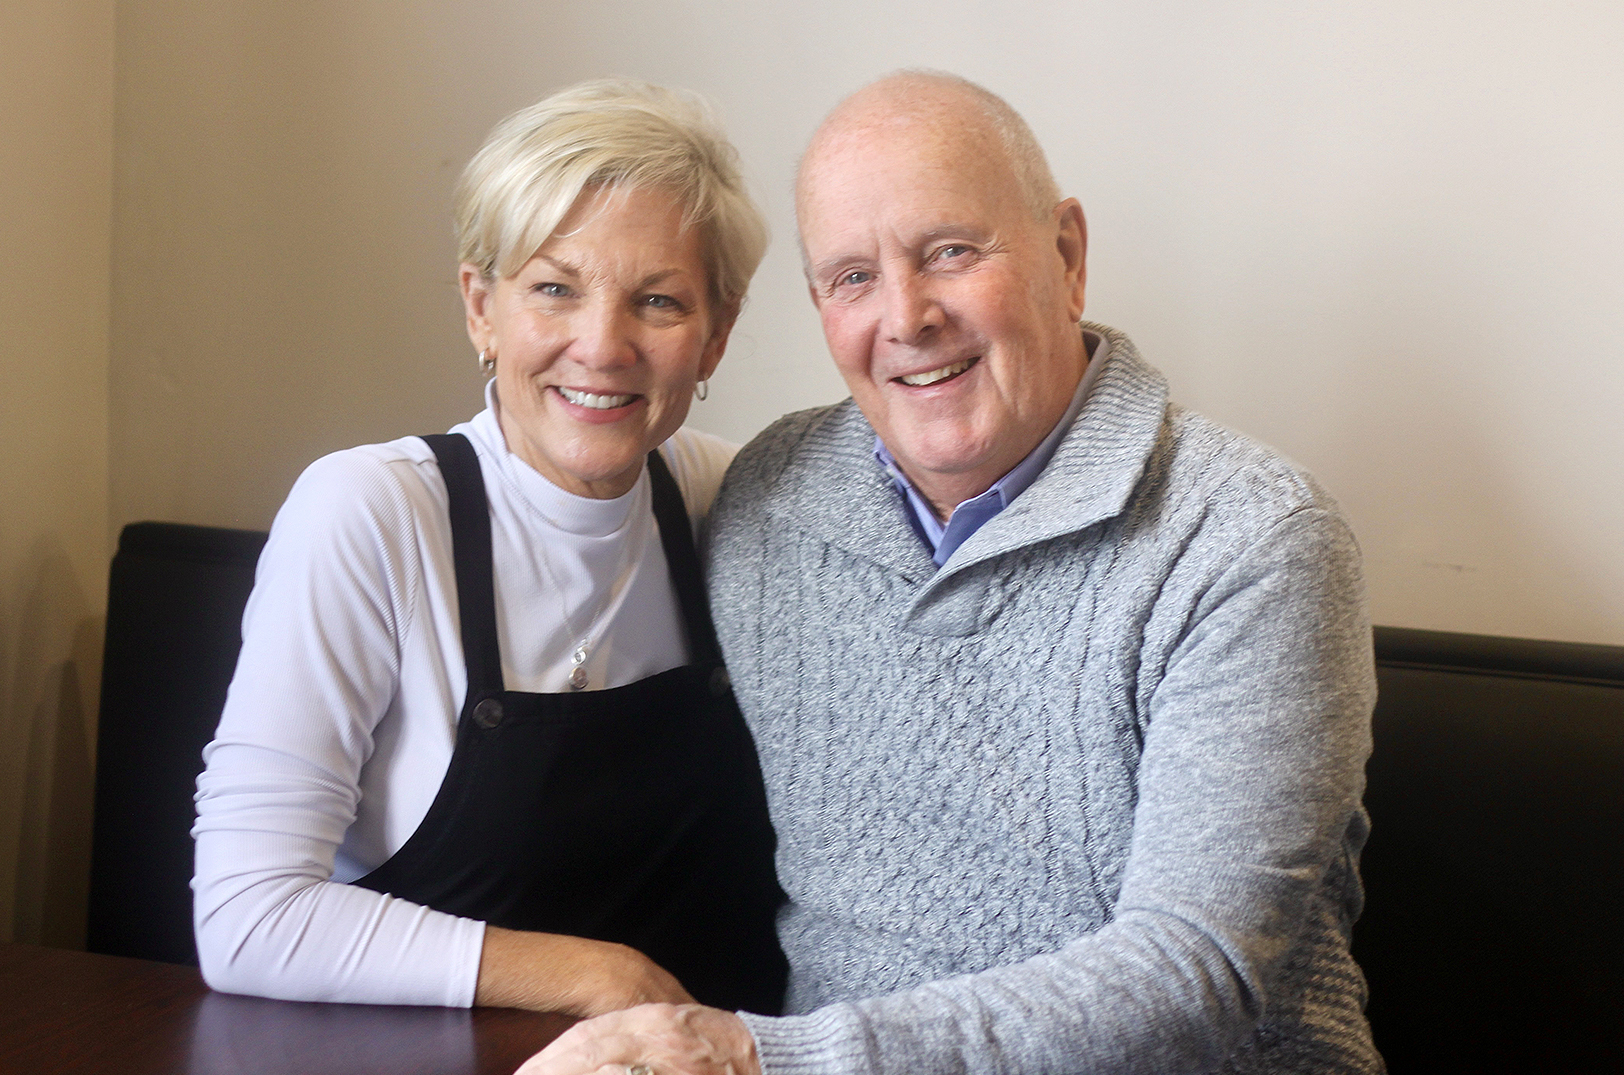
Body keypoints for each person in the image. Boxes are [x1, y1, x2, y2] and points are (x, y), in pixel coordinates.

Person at [518, 71, 1381, 1074]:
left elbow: (1198, 973)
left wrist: (765, 1056)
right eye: (852, 276)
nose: (907, 316)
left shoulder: (1249, 538)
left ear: (1067, 256)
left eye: (950, 253)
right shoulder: (768, 501)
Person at [191, 79, 787, 1018]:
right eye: (555, 288)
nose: (603, 346)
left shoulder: (726, 498)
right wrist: (600, 978)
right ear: (481, 307)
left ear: (716, 337)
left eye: (659, 301)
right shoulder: (373, 514)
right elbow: (248, 915)